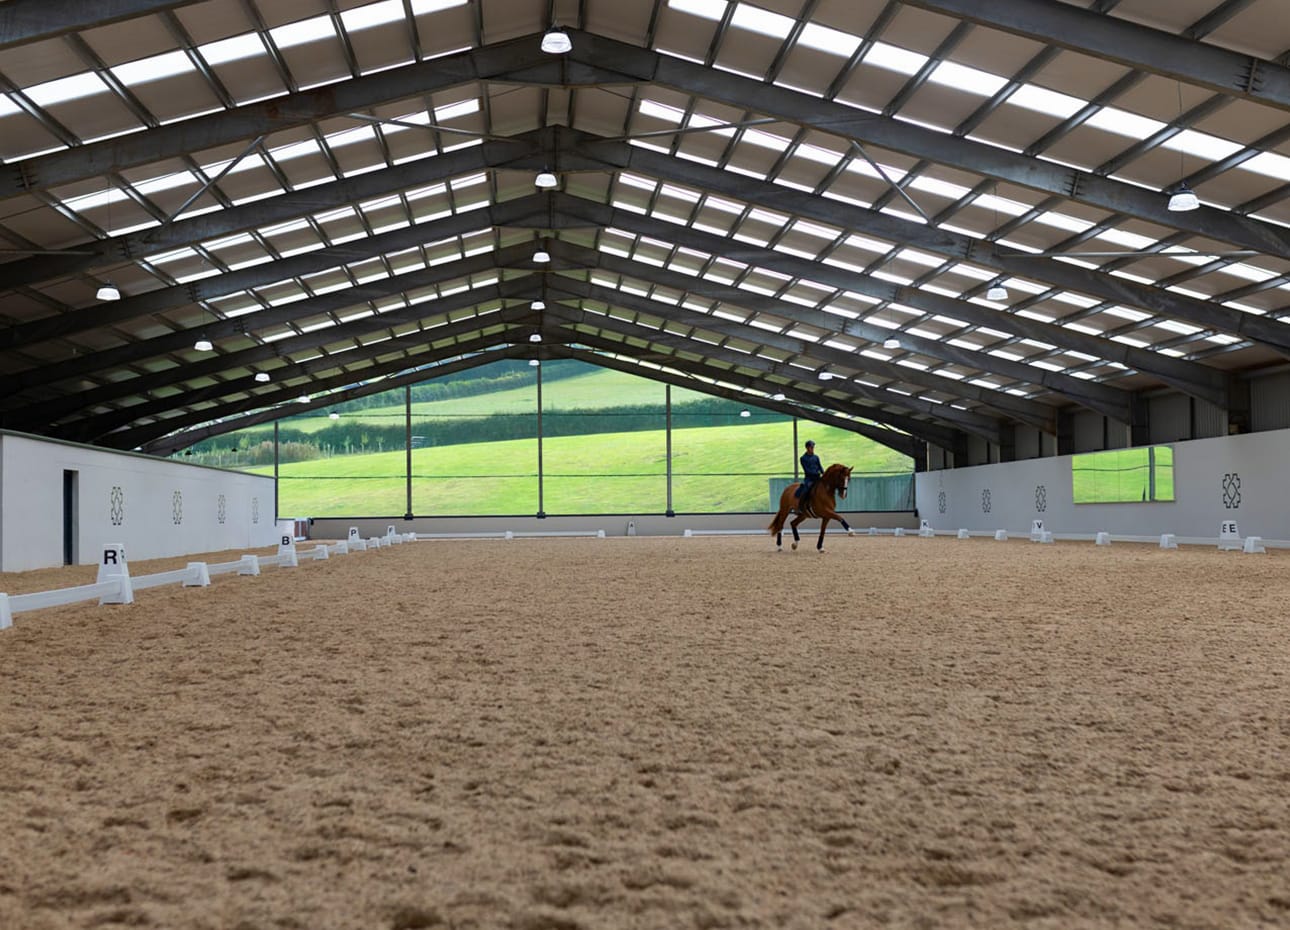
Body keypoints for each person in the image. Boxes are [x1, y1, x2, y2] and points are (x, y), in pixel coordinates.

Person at [796, 439, 823, 508]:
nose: (812, 449)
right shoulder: (803, 458)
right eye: (811, 447)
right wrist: (816, 473)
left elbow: (820, 466)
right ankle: (801, 505)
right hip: (809, 478)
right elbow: (806, 470)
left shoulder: (816, 457)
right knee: (806, 489)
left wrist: (824, 473)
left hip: (817, 477)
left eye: (813, 447)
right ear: (807, 448)